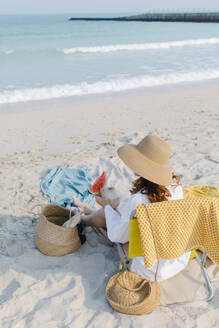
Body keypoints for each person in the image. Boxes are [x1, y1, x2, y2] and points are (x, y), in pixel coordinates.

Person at [73, 134, 191, 281]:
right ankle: (88, 213)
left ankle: (83, 220)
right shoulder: (176, 186)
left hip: (148, 269)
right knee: (116, 215)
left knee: (109, 213)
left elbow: (117, 236)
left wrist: (108, 207)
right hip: (176, 260)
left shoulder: (138, 200)